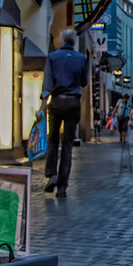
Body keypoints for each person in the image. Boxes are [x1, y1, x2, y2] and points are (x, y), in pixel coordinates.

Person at [41, 29, 88, 198]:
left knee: (53, 139)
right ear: (74, 42)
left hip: (57, 101)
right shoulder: (82, 58)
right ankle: (62, 188)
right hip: (74, 102)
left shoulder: (52, 57)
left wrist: (43, 102)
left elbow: (47, 82)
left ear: (61, 40)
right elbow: (84, 82)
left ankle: (51, 174)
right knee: (67, 144)